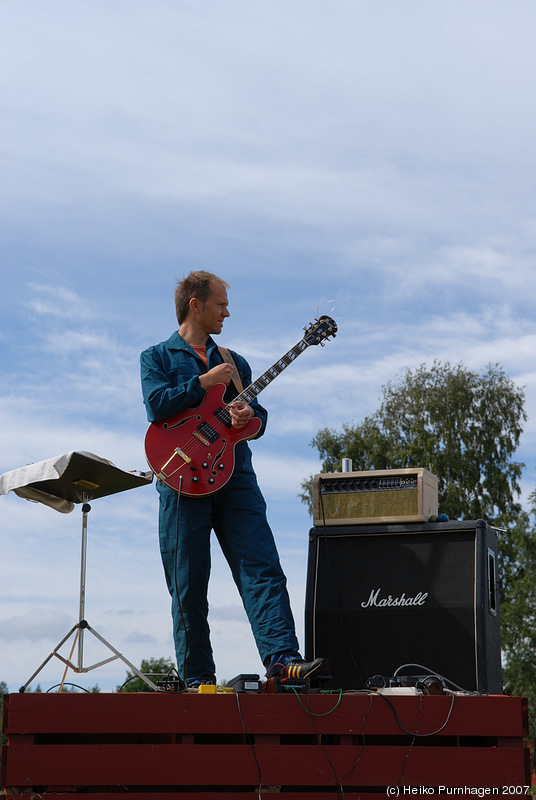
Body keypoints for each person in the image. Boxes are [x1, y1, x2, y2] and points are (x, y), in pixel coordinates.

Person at [140, 270, 327, 687]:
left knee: (262, 567)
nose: (228, 311)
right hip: (181, 480)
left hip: (236, 475)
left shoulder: (234, 361)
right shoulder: (157, 357)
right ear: (196, 305)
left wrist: (249, 417)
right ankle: (198, 679)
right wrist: (203, 383)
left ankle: (283, 662)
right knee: (188, 585)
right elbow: (156, 406)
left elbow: (257, 419)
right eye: (221, 304)